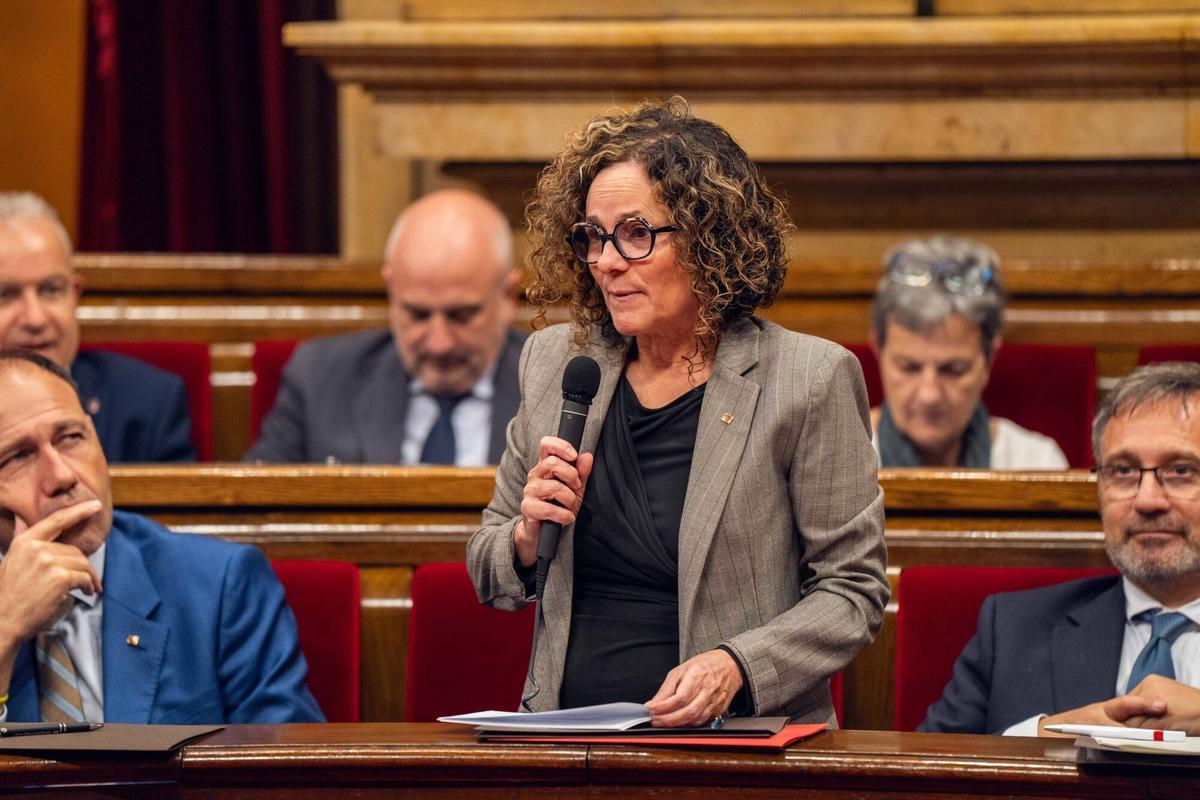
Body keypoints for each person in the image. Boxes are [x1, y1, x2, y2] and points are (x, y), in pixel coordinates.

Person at [468, 97, 888, 727]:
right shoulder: (558, 363)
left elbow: (853, 593)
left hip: (735, 746)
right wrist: (526, 539)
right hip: (566, 735)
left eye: (636, 234)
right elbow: (488, 566)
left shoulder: (808, 379)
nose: (608, 261)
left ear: (708, 238)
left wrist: (737, 665)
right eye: (593, 237)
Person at [0, 349, 323, 723]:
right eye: (17, 457)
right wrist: (4, 629)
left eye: (72, 437)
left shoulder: (219, 588)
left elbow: (286, 770)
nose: (62, 476)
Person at [921, 361, 1200, 735]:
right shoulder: (1012, 628)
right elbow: (929, 772)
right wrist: (1044, 736)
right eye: (1122, 471)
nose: (1147, 500)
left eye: (1181, 470)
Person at [247, 189, 524, 464]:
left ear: (508, 296)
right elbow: (258, 499)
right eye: (418, 314)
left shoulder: (554, 386)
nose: (439, 344)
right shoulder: (320, 376)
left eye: (461, 315)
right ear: (392, 291)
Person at [0, 192, 195, 463]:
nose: (35, 319)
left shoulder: (149, 401)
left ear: (75, 294)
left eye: (51, 290)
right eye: (6, 295)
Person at [870, 235, 1067, 469]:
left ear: (989, 360)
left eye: (954, 370)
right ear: (878, 352)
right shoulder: (837, 462)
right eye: (909, 367)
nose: (929, 395)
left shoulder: (1036, 464)